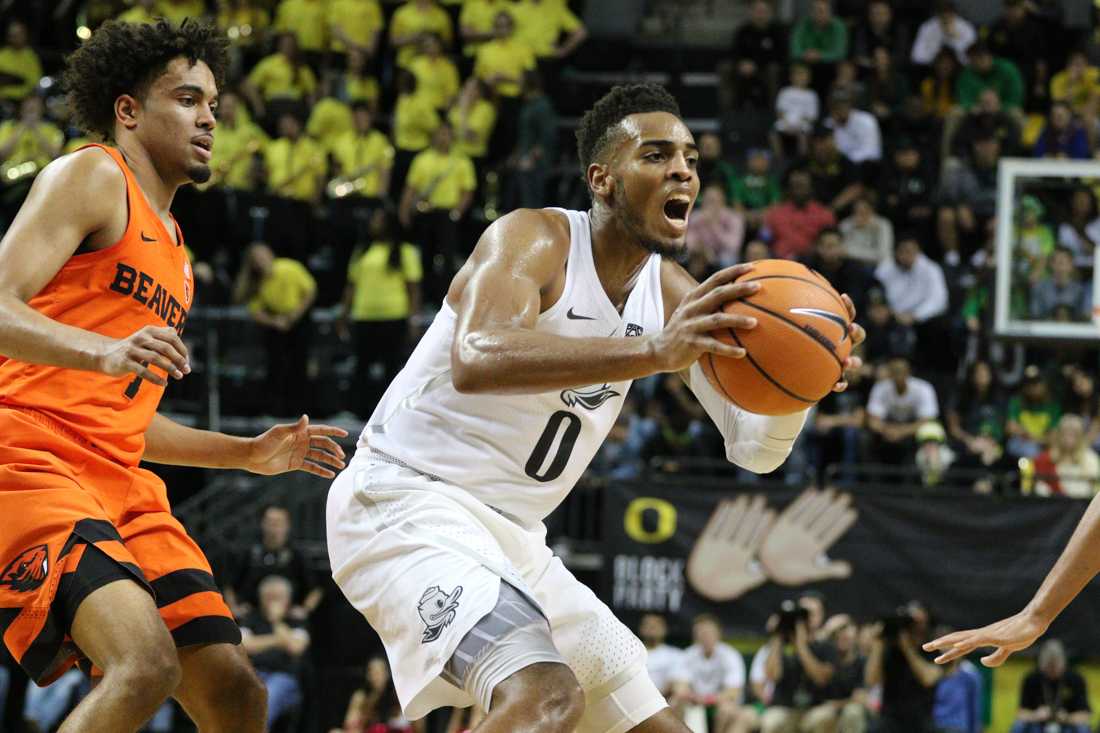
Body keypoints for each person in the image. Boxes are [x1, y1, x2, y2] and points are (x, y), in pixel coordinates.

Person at [326, 83, 865, 733]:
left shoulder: (668, 292)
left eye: (691, 158)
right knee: (546, 695)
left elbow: (754, 447)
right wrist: (650, 353)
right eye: (657, 154)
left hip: (515, 538)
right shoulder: (536, 237)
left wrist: (802, 383)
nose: (682, 170)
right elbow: (477, 358)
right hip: (406, 500)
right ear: (602, 179)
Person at [0, 19, 346, 733]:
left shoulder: (178, 253)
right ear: (128, 111)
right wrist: (101, 351)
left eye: (214, 103)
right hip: (26, 454)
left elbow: (130, 421)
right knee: (145, 663)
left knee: (236, 693)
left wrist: (246, 454)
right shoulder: (93, 174)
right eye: (187, 99)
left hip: (117, 476)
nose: (210, 117)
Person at [339, 207, 423, 418]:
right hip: (364, 315)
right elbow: (351, 285)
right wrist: (344, 313)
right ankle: (358, 411)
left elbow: (413, 288)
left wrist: (414, 318)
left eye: (379, 219)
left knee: (391, 368)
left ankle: (390, 414)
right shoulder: (362, 251)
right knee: (361, 366)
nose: (373, 223)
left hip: (394, 315)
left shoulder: (405, 251)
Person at [233, 242, 317, 415]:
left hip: (299, 320)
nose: (260, 261)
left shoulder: (289, 267)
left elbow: (309, 291)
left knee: (299, 365)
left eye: (262, 256)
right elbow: (255, 310)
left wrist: (293, 316)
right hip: (275, 324)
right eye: (256, 259)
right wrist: (275, 322)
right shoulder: (256, 282)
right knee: (275, 367)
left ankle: (300, 409)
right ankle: (275, 409)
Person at [398, 122, 476, 306]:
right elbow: (411, 188)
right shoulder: (422, 159)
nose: (444, 138)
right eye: (440, 134)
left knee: (448, 259)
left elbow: (467, 191)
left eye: (447, 134)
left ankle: (446, 299)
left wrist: (456, 213)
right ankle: (424, 298)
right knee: (425, 257)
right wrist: (404, 209)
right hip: (426, 213)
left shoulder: (461, 161)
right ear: (434, 136)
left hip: (447, 214)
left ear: (452, 137)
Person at [224, 503, 324, 619]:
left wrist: (304, 610)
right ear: (263, 524)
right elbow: (229, 585)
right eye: (270, 522)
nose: (273, 528)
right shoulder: (250, 552)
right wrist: (234, 609)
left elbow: (316, 590)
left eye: (278, 523)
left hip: (288, 619)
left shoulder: (297, 555)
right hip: (252, 618)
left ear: (287, 526)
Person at [240, 575, 311, 729]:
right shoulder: (251, 618)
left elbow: (295, 647)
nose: (273, 602)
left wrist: (276, 621)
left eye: (278, 597)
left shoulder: (297, 620)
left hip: (284, 677)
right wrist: (278, 640)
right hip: (253, 673)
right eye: (269, 597)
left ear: (288, 599)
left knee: (265, 699)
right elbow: (244, 646)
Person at [865, 602, 943, 733]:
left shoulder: (932, 650)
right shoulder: (890, 650)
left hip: (921, 719)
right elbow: (871, 681)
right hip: (890, 718)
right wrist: (878, 643)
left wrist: (907, 648)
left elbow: (928, 679)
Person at [676, 615, 752, 733]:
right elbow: (680, 687)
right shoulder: (688, 654)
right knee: (675, 702)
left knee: (726, 709)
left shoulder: (730, 655)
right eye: (700, 632)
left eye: (708, 632)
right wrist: (691, 697)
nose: (704, 636)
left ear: (718, 633)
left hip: (720, 702)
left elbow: (733, 692)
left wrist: (708, 700)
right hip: (694, 701)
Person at [866, 356, 939, 464]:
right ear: (890, 373)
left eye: (901, 371)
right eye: (894, 371)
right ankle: (871, 477)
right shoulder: (880, 387)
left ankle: (925, 478)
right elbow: (872, 420)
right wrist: (886, 430)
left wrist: (902, 432)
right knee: (865, 437)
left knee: (930, 431)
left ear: (909, 372)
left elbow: (928, 420)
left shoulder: (923, 388)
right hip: (888, 427)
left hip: (913, 428)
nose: (898, 375)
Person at [1007, 640, 1090, 733]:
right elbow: (1021, 713)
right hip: (1037, 724)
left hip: (1066, 725)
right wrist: (1036, 715)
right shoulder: (1032, 678)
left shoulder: (1075, 679)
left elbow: (1084, 715)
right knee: (1019, 726)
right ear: (1042, 665)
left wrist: (1067, 718)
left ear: (1063, 664)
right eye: (1048, 668)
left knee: (1082, 728)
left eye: (1055, 668)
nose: (1052, 672)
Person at [763, 168, 837, 260]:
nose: (798, 191)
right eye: (795, 186)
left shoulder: (825, 215)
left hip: (813, 265)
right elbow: (764, 240)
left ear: (811, 188)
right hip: (780, 263)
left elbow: (830, 243)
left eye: (802, 186)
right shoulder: (775, 214)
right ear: (788, 189)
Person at [334, 657, 420, 733]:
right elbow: (349, 724)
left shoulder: (399, 695)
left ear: (387, 674)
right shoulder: (361, 697)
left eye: (379, 672)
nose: (376, 677)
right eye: (372, 672)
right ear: (367, 676)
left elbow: (417, 726)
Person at [910, 0, 976, 67]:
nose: (946, 17)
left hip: (959, 69)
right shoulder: (927, 27)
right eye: (942, 12)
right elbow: (916, 56)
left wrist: (954, 38)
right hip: (932, 67)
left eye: (949, 12)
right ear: (937, 13)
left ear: (954, 13)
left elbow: (971, 59)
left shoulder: (967, 28)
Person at [638, 613, 684, 703]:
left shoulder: (675, 654)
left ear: (665, 629)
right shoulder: (633, 653)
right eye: (648, 625)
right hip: (635, 700)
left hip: (664, 701)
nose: (652, 628)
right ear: (641, 629)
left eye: (656, 626)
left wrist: (655, 700)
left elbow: (675, 682)